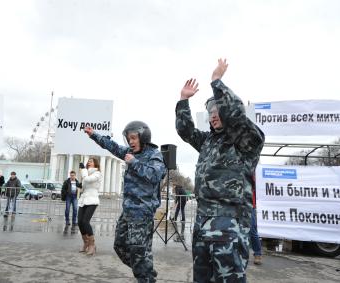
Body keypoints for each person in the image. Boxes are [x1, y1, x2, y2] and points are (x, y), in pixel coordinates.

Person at [175, 58, 265, 282]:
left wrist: (217, 82)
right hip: (203, 224)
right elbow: (186, 132)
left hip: (230, 226)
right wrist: (183, 101)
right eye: (210, 111)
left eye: (217, 109)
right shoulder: (208, 141)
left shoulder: (246, 141)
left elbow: (236, 116)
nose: (213, 114)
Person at [84, 121, 166, 283]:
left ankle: (145, 276)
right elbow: (112, 146)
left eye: (134, 138)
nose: (131, 142)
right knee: (120, 246)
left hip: (142, 213)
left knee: (138, 251)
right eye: (129, 139)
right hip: (127, 212)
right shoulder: (129, 152)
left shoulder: (154, 155)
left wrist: (134, 163)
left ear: (143, 137)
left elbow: (156, 175)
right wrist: (94, 135)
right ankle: (145, 270)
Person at [78, 158, 102, 255]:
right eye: (88, 162)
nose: (88, 163)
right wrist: (79, 185)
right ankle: (86, 243)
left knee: (85, 221)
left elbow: (88, 180)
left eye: (91, 161)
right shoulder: (86, 173)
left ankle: (92, 245)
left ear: (95, 164)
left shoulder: (97, 173)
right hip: (84, 199)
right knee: (79, 222)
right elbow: (84, 184)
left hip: (92, 199)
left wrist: (83, 170)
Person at [250, 175, 262, 265]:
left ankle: (257, 254)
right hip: (236, 205)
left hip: (250, 205)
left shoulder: (252, 171)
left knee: (252, 231)